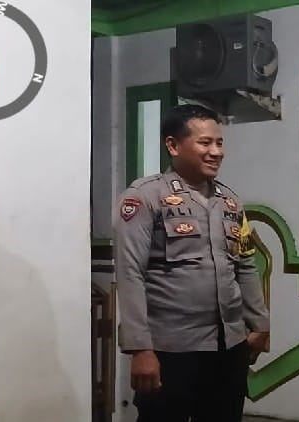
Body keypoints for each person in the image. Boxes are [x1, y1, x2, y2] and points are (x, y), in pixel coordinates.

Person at [113, 104, 271, 422]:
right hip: (170, 350)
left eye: (220, 143)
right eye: (205, 143)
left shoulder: (230, 202)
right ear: (173, 145)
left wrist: (261, 323)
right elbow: (130, 274)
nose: (216, 152)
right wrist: (140, 349)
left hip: (229, 347)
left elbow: (245, 265)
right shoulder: (145, 197)